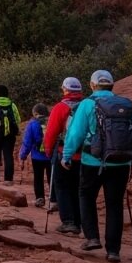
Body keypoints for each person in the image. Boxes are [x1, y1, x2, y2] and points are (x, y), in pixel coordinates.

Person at [62, 70, 132, 262]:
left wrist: (66, 155)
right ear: (112, 86)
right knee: (114, 204)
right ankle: (113, 250)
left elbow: (75, 134)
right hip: (121, 162)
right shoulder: (124, 104)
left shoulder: (87, 104)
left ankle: (92, 238)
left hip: (92, 160)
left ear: (92, 85)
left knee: (86, 196)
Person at [43, 77, 86, 235]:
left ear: (65, 90)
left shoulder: (60, 107)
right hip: (85, 155)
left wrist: (48, 151)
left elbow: (51, 132)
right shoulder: (87, 105)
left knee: (62, 187)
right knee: (78, 189)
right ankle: (79, 222)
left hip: (63, 153)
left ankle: (68, 222)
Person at [19, 103, 51, 207]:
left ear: (35, 113)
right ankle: (55, 199)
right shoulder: (51, 121)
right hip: (51, 155)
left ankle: (40, 198)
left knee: (38, 177)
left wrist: (22, 156)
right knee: (52, 177)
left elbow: (27, 142)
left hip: (37, 156)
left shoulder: (32, 124)